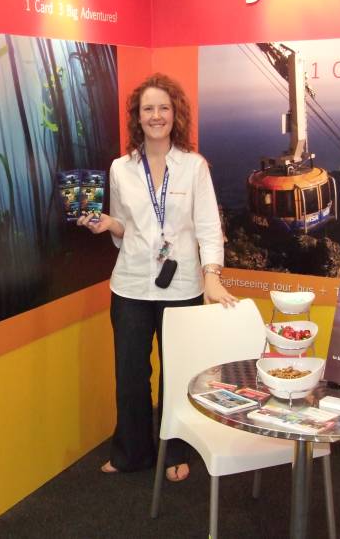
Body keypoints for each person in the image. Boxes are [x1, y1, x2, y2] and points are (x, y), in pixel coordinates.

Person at [77, 73, 236, 482]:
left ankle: (174, 452)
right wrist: (107, 224)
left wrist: (212, 276)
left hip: (182, 287)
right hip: (130, 285)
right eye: (148, 108)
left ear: (175, 114)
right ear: (138, 117)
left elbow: (208, 228)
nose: (156, 115)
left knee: (177, 374)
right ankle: (132, 453)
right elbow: (125, 228)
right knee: (130, 375)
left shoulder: (195, 167)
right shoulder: (120, 168)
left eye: (163, 107)